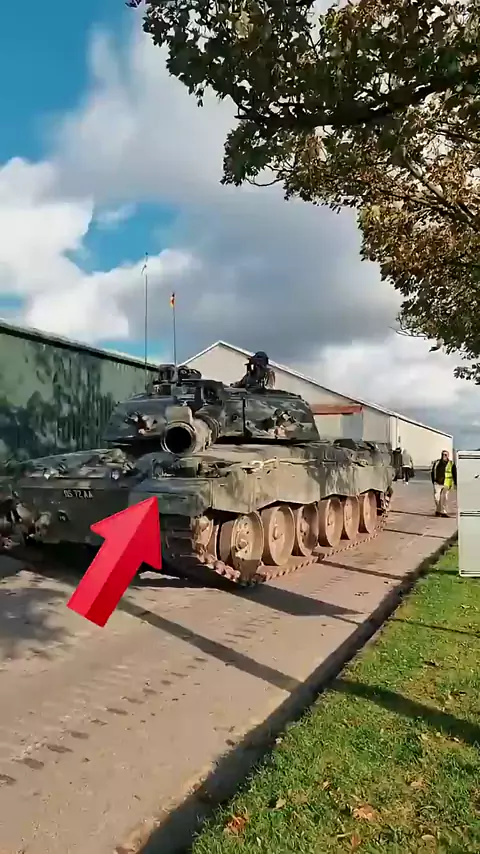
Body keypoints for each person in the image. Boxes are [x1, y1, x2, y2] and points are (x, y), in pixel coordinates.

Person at [431, 450, 457, 517]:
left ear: (448, 455)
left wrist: (455, 483)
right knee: (436, 497)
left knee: (445, 498)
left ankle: (443, 512)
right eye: (443, 454)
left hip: (447, 483)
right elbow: (433, 471)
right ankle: (438, 510)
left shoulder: (451, 463)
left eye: (445, 454)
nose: (444, 456)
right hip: (437, 483)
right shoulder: (437, 462)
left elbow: (454, 473)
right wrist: (433, 481)